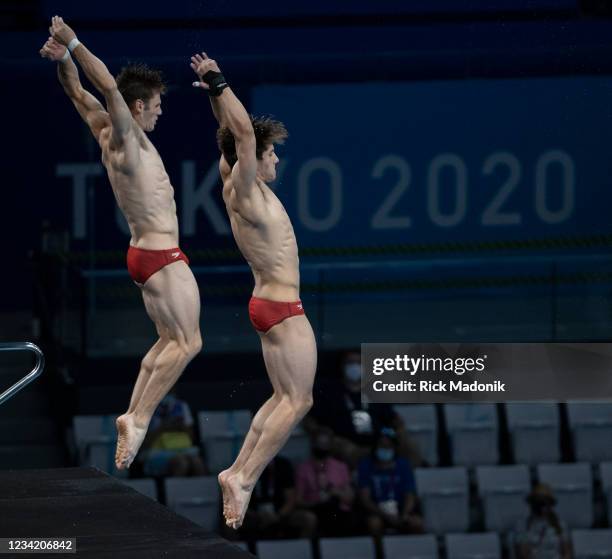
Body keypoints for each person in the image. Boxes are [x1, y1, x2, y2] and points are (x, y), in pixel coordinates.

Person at [40, 17, 202, 470]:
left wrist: (63, 58)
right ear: (136, 105)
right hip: (160, 254)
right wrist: (72, 40)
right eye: (155, 105)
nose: (160, 112)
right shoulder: (126, 134)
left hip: (144, 253)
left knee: (168, 340)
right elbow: (106, 86)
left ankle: (132, 413)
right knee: (188, 344)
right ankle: (139, 417)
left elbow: (76, 91)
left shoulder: (105, 130)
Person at [190, 52, 316, 529]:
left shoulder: (234, 180)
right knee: (299, 401)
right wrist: (219, 81)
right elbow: (242, 136)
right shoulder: (244, 186)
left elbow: (231, 135)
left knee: (282, 396)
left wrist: (216, 99)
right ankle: (244, 477)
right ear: (253, 158)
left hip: (268, 304)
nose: (276, 157)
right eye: (271, 153)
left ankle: (235, 472)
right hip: (283, 308)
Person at [305, 351, 423, 467]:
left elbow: (392, 418)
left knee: (408, 445)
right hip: (346, 444)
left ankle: (413, 476)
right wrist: (328, 436)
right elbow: (311, 420)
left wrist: (397, 429)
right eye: (350, 362)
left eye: (359, 362)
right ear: (342, 366)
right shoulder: (331, 393)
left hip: (378, 442)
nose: (355, 366)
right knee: (349, 451)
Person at [358, 428, 423, 543]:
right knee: (374, 524)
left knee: (416, 523)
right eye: (382, 446)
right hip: (377, 511)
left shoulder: (403, 465)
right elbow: (365, 499)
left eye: (389, 446)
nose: (385, 449)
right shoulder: (366, 465)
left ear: (394, 448)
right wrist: (386, 515)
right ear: (375, 447)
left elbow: (410, 495)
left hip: (400, 509)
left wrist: (405, 514)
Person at [236, 456, 317, 541]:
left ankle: (301, 551)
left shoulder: (283, 465)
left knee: (308, 519)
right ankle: (234, 552)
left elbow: (290, 499)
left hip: (280, 513)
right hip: (254, 514)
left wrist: (278, 515)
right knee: (231, 520)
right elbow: (239, 499)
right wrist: (254, 514)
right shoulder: (244, 465)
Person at [296, 428, 355, 536]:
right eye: (319, 443)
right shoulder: (303, 469)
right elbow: (299, 500)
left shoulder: (340, 467)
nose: (322, 447)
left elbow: (349, 498)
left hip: (338, 510)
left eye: (325, 444)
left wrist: (334, 492)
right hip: (316, 509)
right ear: (313, 444)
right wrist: (316, 503)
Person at [139, 390, 206, 477]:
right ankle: (176, 490)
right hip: (154, 453)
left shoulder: (182, 406)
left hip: (182, 449)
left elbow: (191, 437)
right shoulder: (146, 408)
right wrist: (163, 428)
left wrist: (181, 427)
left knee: (198, 463)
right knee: (181, 463)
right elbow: (142, 443)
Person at [515, 484, 572, 559]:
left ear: (550, 505)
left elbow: (567, 552)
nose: (540, 507)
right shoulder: (523, 525)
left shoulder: (560, 525)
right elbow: (523, 554)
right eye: (537, 502)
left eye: (543, 503)